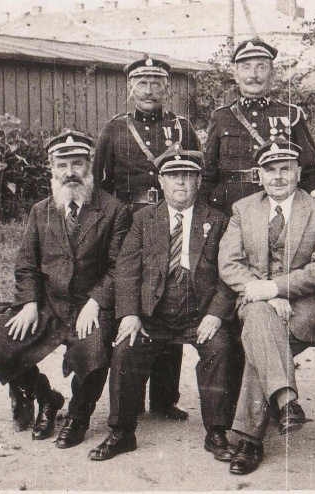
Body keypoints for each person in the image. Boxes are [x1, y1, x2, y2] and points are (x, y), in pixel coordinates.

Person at [0, 129, 130, 450]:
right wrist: (30, 303)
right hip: (49, 305)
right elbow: (26, 265)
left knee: (95, 351)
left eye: (77, 164)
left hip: (90, 307)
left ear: (90, 164)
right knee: (0, 335)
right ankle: (46, 397)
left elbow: (119, 267)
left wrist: (96, 301)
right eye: (62, 165)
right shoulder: (41, 211)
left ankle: (78, 416)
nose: (69, 173)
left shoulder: (114, 210)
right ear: (51, 168)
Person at [89, 151, 237, 463]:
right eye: (173, 175)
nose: (181, 182)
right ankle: (121, 432)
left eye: (188, 175)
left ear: (199, 180)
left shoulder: (217, 220)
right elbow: (127, 270)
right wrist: (130, 314)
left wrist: (215, 314)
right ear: (161, 180)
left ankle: (217, 431)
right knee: (125, 349)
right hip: (153, 314)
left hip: (199, 314)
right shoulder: (144, 219)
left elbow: (230, 274)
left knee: (221, 349)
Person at [218, 140, 315, 475]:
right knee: (260, 318)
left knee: (259, 339)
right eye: (270, 170)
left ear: (298, 172)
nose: (278, 176)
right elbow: (229, 263)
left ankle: (251, 439)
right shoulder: (243, 209)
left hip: (304, 307)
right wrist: (267, 295)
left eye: (286, 168)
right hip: (257, 302)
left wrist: (275, 287)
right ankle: (284, 404)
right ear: (259, 175)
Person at [93, 56, 202, 421]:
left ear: (166, 88)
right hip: (132, 222)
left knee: (171, 291)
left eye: (157, 83)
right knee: (140, 296)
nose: (150, 90)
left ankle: (164, 399)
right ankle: (131, 399)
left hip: (174, 216)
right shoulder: (115, 128)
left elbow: (196, 175)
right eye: (142, 83)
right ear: (130, 87)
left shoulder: (183, 126)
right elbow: (101, 184)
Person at [201, 38, 315, 215]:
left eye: (261, 67)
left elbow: (310, 168)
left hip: (279, 204)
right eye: (246, 67)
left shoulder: (291, 115)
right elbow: (208, 174)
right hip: (230, 207)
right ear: (236, 75)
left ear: (272, 74)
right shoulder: (221, 117)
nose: (253, 75)